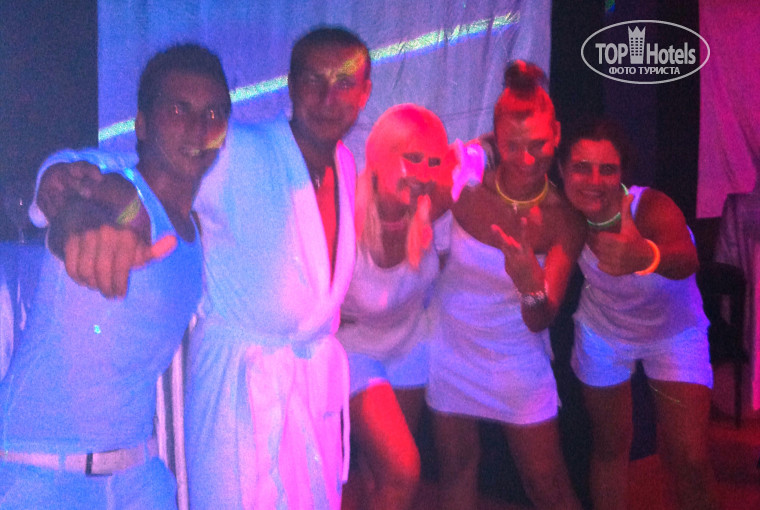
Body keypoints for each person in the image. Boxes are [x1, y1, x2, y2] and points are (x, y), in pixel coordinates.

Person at [31, 27, 372, 510]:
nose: (328, 97)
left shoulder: (346, 166)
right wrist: (60, 175)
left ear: (364, 92)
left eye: (344, 82)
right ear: (291, 85)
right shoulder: (239, 148)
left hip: (304, 394)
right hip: (240, 395)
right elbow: (128, 169)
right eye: (314, 79)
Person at [0, 43, 231, 508]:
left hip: (133, 477)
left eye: (212, 114)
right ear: (142, 124)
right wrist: (81, 227)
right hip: (39, 471)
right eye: (178, 110)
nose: (197, 127)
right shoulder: (113, 182)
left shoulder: (195, 236)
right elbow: (70, 193)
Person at [426, 60, 585, 510]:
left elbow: (540, 318)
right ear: (497, 138)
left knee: (547, 487)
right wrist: (459, 161)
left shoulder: (564, 220)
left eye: (538, 144)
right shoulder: (467, 186)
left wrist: (530, 284)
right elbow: (411, 223)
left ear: (556, 134)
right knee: (456, 472)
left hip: (517, 358)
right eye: (513, 145)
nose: (527, 159)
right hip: (450, 349)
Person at [558, 117, 719, 510]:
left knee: (691, 459)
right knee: (610, 446)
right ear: (562, 170)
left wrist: (645, 255)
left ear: (622, 174)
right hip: (604, 333)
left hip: (674, 334)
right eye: (581, 167)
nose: (594, 180)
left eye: (607, 169)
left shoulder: (649, 207)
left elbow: (688, 258)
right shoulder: (567, 215)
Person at [339, 103, 483, 510]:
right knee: (403, 472)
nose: (423, 173)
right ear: (379, 156)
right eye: (412, 158)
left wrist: (481, 151)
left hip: (410, 347)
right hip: (356, 353)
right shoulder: (344, 216)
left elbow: (475, 154)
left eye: (433, 162)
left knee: (379, 476)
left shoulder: (430, 205)